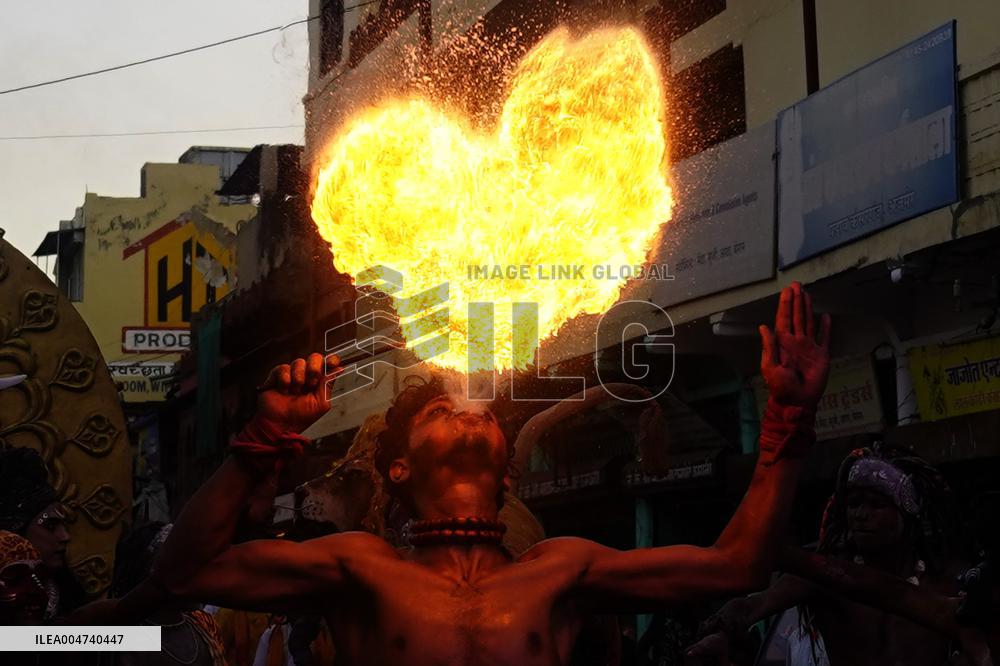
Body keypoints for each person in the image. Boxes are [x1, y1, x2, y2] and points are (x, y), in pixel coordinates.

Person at [80, 282, 831, 665]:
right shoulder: (359, 567)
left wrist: (785, 425)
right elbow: (184, 575)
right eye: (440, 409)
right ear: (399, 464)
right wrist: (266, 432)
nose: (471, 408)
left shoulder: (561, 568)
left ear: (505, 462)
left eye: (478, 412)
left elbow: (738, 565)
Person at [686, 446, 976, 666]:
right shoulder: (826, 577)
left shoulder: (947, 585)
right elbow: (752, 606)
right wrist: (721, 633)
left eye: (876, 505)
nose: (861, 515)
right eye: (854, 504)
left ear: (908, 516)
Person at [108, 522, 227, 666]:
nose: (196, 574)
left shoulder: (202, 624)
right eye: (184, 565)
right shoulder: (125, 634)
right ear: (152, 571)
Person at [0, 447, 86, 619]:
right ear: (15, 533)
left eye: (63, 525)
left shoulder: (66, 592)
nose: (65, 536)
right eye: (50, 526)